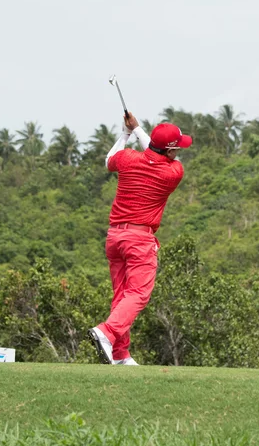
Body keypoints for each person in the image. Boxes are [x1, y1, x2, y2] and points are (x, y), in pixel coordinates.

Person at [88, 112, 192, 365]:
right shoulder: (173, 173)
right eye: (176, 148)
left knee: (122, 295)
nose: (179, 152)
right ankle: (107, 332)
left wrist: (127, 133)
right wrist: (138, 129)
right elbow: (156, 153)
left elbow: (109, 159)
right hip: (139, 239)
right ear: (169, 152)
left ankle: (121, 354)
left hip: (115, 237)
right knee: (138, 294)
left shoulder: (127, 158)